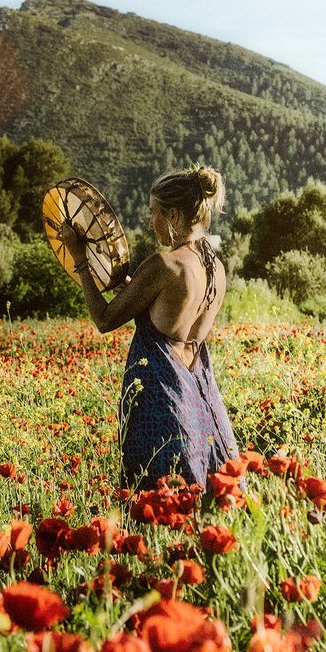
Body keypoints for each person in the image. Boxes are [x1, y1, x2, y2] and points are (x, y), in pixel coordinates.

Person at [57, 166, 241, 489]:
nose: (149, 221)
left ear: (173, 215)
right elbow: (170, 312)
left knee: (157, 506)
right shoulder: (216, 269)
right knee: (202, 504)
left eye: (153, 212)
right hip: (200, 402)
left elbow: (103, 319)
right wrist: (132, 289)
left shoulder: (164, 264)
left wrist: (80, 260)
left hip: (160, 404)